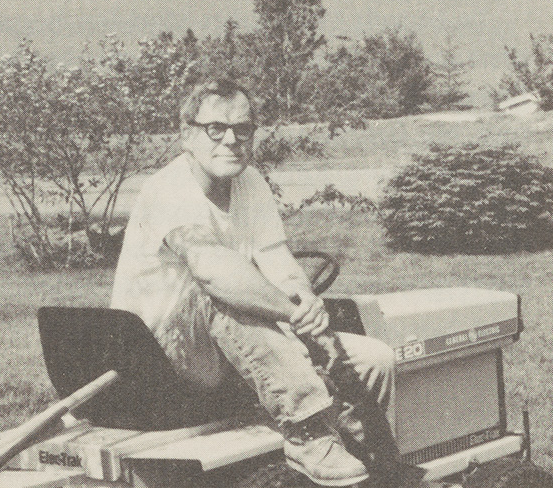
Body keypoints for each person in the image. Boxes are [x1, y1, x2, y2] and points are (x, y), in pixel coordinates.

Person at [111, 79, 418, 487]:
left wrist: (307, 303)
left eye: (243, 129)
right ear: (187, 135)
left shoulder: (250, 182)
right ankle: (307, 433)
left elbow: (279, 262)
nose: (231, 140)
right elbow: (212, 271)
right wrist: (290, 312)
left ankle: (371, 464)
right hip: (160, 358)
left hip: (226, 349)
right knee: (223, 289)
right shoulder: (168, 189)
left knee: (371, 359)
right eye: (215, 129)